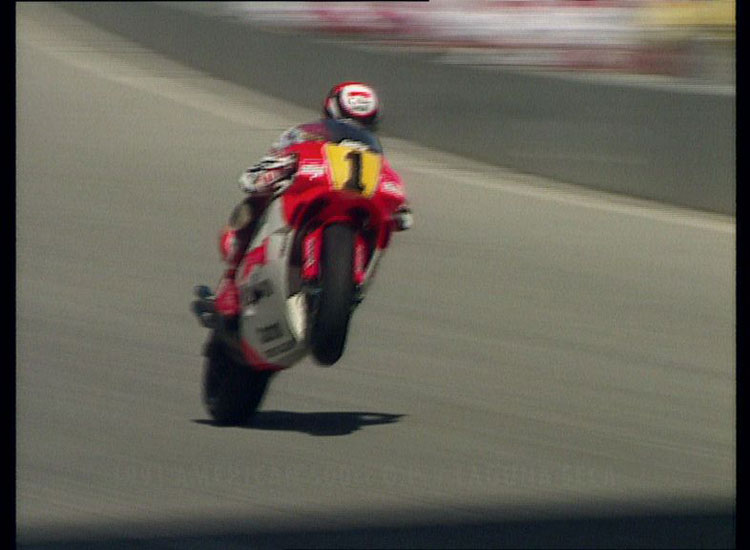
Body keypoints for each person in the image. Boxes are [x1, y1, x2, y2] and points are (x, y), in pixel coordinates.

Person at [207, 81, 412, 329]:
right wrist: (273, 171)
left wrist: (398, 208)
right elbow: (272, 157)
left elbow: (397, 200)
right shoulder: (305, 133)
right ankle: (229, 282)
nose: (354, 131)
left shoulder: (375, 155)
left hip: (352, 207)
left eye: (363, 124)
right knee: (253, 205)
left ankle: (349, 285)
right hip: (311, 185)